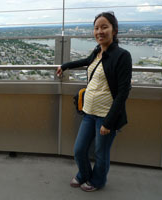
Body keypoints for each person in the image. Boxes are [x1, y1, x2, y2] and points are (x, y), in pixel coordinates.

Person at [56, 11, 132, 192]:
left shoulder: (122, 56)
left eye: (104, 27)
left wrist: (109, 121)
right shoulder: (98, 51)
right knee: (79, 150)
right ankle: (84, 174)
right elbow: (86, 61)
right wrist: (65, 66)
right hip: (89, 112)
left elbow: (123, 92)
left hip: (106, 116)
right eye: (96, 28)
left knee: (100, 153)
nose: (100, 31)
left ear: (114, 30)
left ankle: (97, 181)